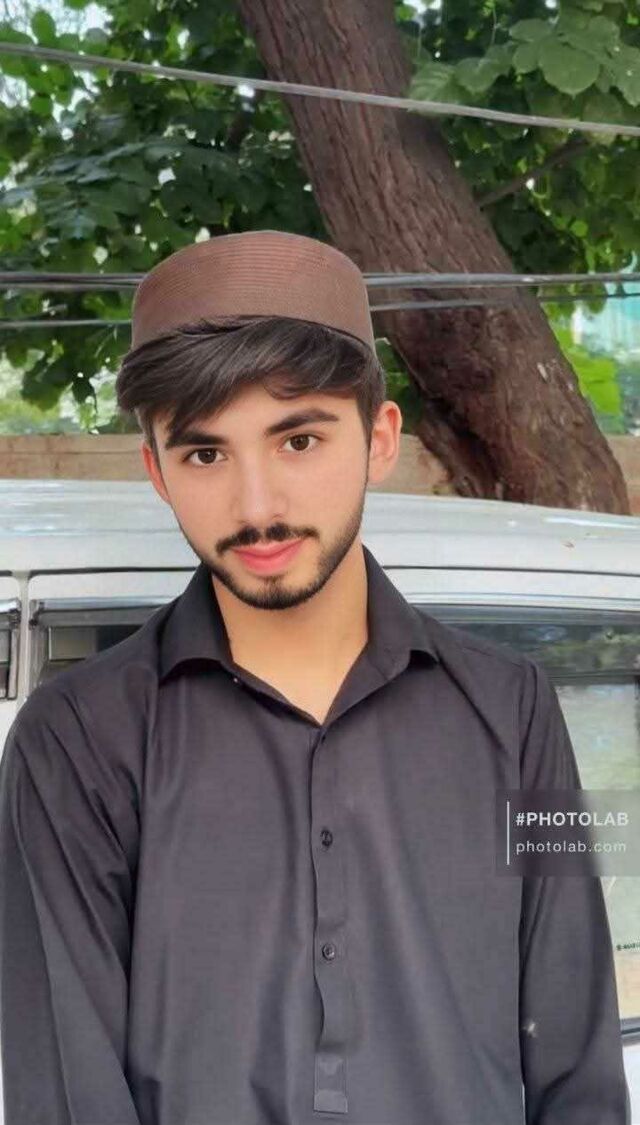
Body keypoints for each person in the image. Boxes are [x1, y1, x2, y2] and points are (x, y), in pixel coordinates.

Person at [0, 230, 630, 1125]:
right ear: (157, 470)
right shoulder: (72, 744)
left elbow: (578, 1061)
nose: (257, 505)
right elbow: (69, 1099)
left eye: (298, 439)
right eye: (206, 454)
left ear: (379, 438)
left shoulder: (517, 710)